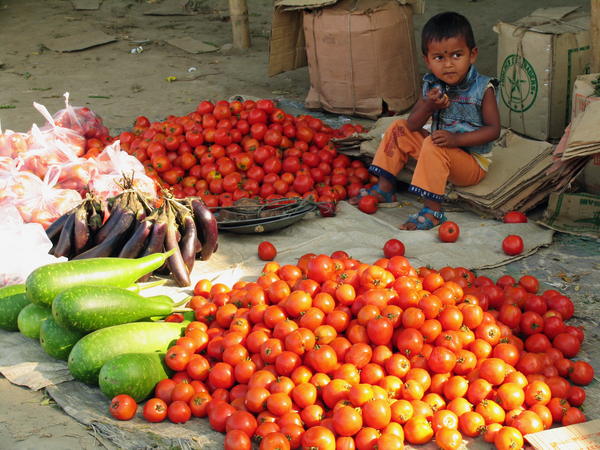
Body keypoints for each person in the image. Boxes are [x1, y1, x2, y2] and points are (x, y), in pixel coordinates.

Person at [351, 11, 501, 230]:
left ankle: (433, 211)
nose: (448, 64)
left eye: (457, 55)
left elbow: (493, 130)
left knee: (434, 142)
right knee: (398, 127)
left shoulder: (483, 89)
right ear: (427, 61)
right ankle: (384, 189)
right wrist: (429, 106)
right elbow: (412, 125)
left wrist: (456, 140)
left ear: (473, 54)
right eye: (439, 58)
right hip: (439, 152)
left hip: (471, 164)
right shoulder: (431, 85)